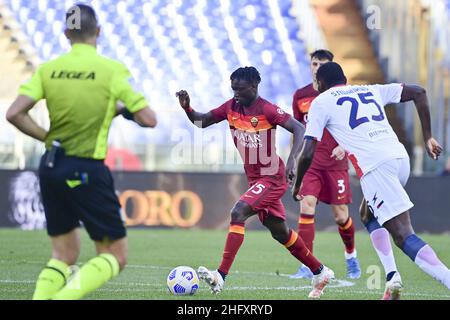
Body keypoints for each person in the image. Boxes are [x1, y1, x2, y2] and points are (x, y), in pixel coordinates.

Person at [6, 4, 157, 300]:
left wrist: (47, 137)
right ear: (98, 32)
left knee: (63, 254)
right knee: (115, 254)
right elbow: (149, 119)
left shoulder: (48, 70)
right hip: (87, 168)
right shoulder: (111, 71)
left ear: (66, 34)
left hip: (50, 167)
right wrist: (123, 109)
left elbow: (14, 113)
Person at [292, 62, 450, 298]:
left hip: (376, 168)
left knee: (403, 235)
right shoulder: (369, 89)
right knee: (367, 213)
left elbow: (307, 150)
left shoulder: (321, 102)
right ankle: (392, 277)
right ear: (344, 78)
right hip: (399, 160)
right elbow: (419, 91)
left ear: (319, 84)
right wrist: (427, 136)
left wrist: (297, 184)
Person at [176, 66, 334, 299]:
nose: (235, 94)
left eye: (239, 89)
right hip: (255, 179)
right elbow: (202, 122)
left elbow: (300, 128)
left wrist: (293, 160)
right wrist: (188, 108)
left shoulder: (267, 109)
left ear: (254, 86)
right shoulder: (231, 107)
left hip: (272, 177)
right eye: (233, 89)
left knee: (238, 212)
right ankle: (320, 272)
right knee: (280, 232)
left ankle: (221, 275)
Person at [291, 50, 361, 279]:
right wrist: (294, 158)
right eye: (314, 63)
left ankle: (351, 255)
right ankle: (307, 265)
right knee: (306, 206)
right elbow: (299, 131)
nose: (317, 67)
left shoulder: (341, 95)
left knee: (341, 216)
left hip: (335, 163)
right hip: (311, 162)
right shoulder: (300, 96)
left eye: (322, 64)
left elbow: (354, 125)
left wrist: (346, 146)